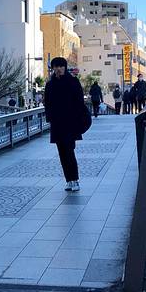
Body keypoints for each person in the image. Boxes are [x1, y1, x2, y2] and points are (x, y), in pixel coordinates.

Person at [44, 57, 89, 192]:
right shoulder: (50, 84)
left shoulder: (73, 82)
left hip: (70, 122)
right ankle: (68, 180)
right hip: (57, 124)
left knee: (69, 151)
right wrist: (50, 118)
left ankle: (75, 179)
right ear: (53, 68)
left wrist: (78, 119)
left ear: (64, 67)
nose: (58, 69)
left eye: (61, 66)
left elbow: (79, 102)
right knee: (62, 152)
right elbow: (47, 103)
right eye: (56, 67)